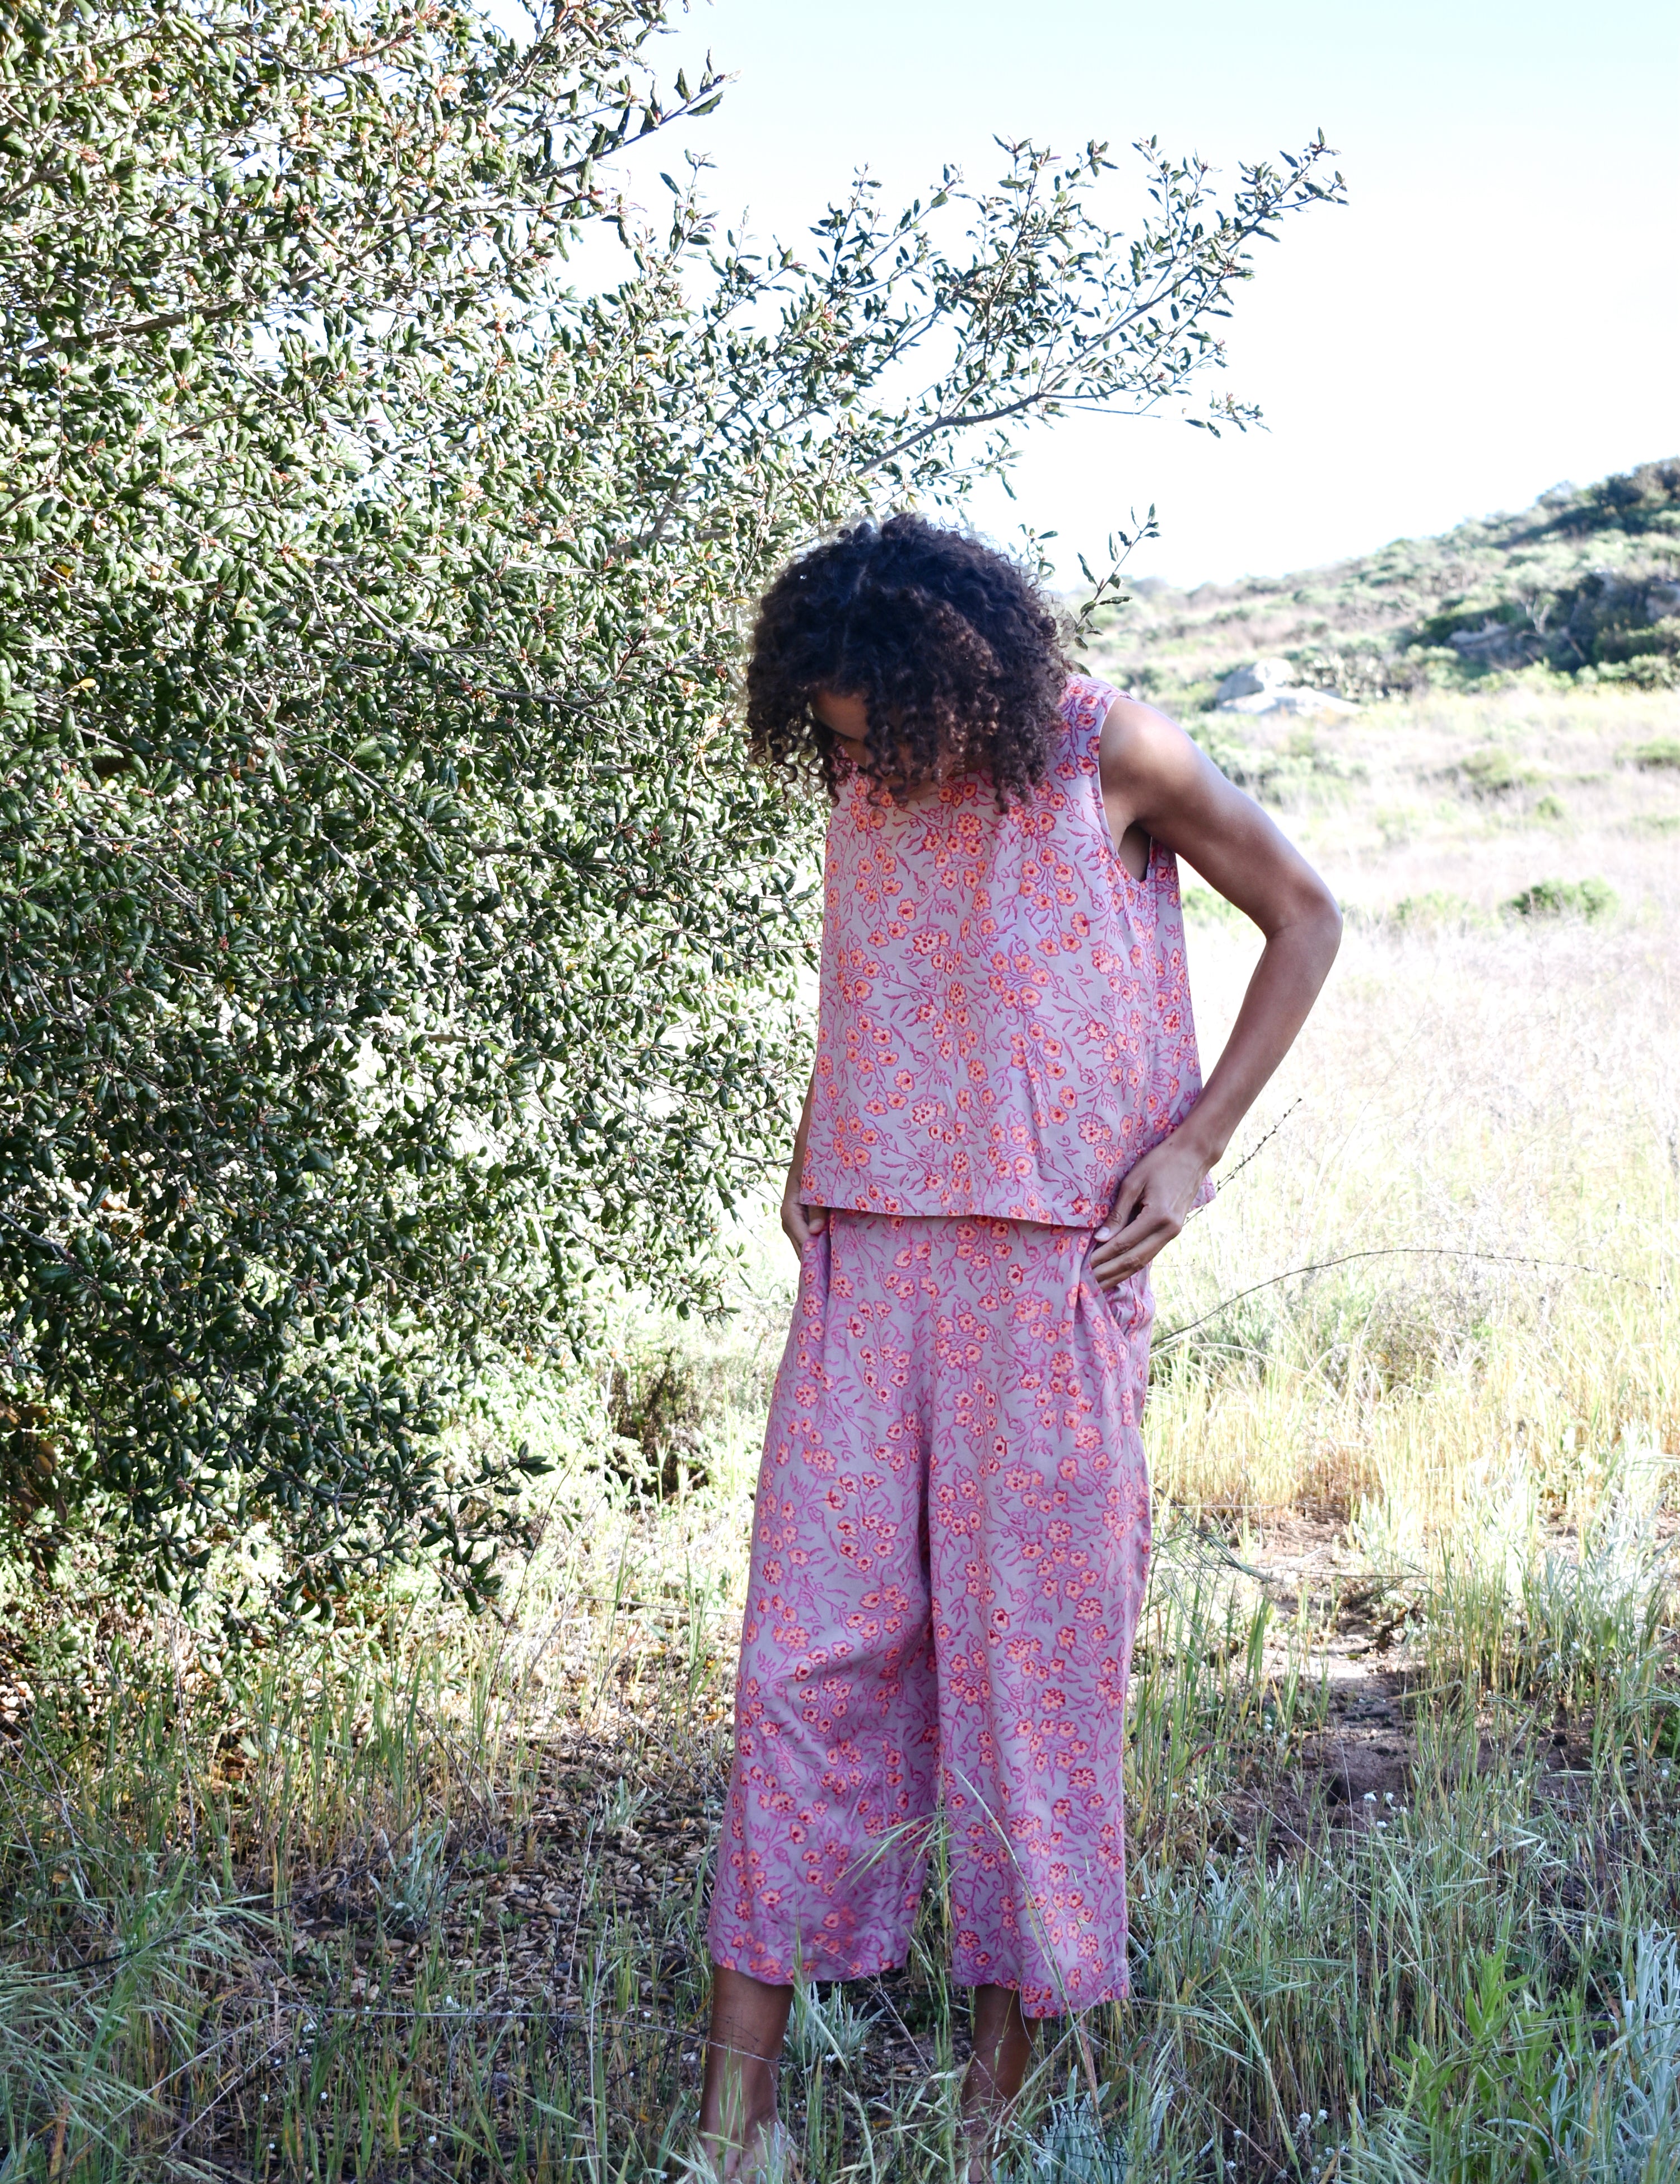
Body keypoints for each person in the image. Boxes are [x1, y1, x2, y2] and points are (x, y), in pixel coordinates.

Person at [698, 515, 1341, 2177]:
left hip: (1041, 1281)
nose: (850, 758)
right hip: (866, 1259)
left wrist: (1196, 1143)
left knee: (1026, 1687)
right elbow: (886, 981)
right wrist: (813, 1141)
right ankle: (731, 2132)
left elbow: (1306, 913)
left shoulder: (1099, 745)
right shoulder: (867, 770)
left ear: (949, 677)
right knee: (800, 1669)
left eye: (867, 726)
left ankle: (989, 2139)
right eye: (830, 733)